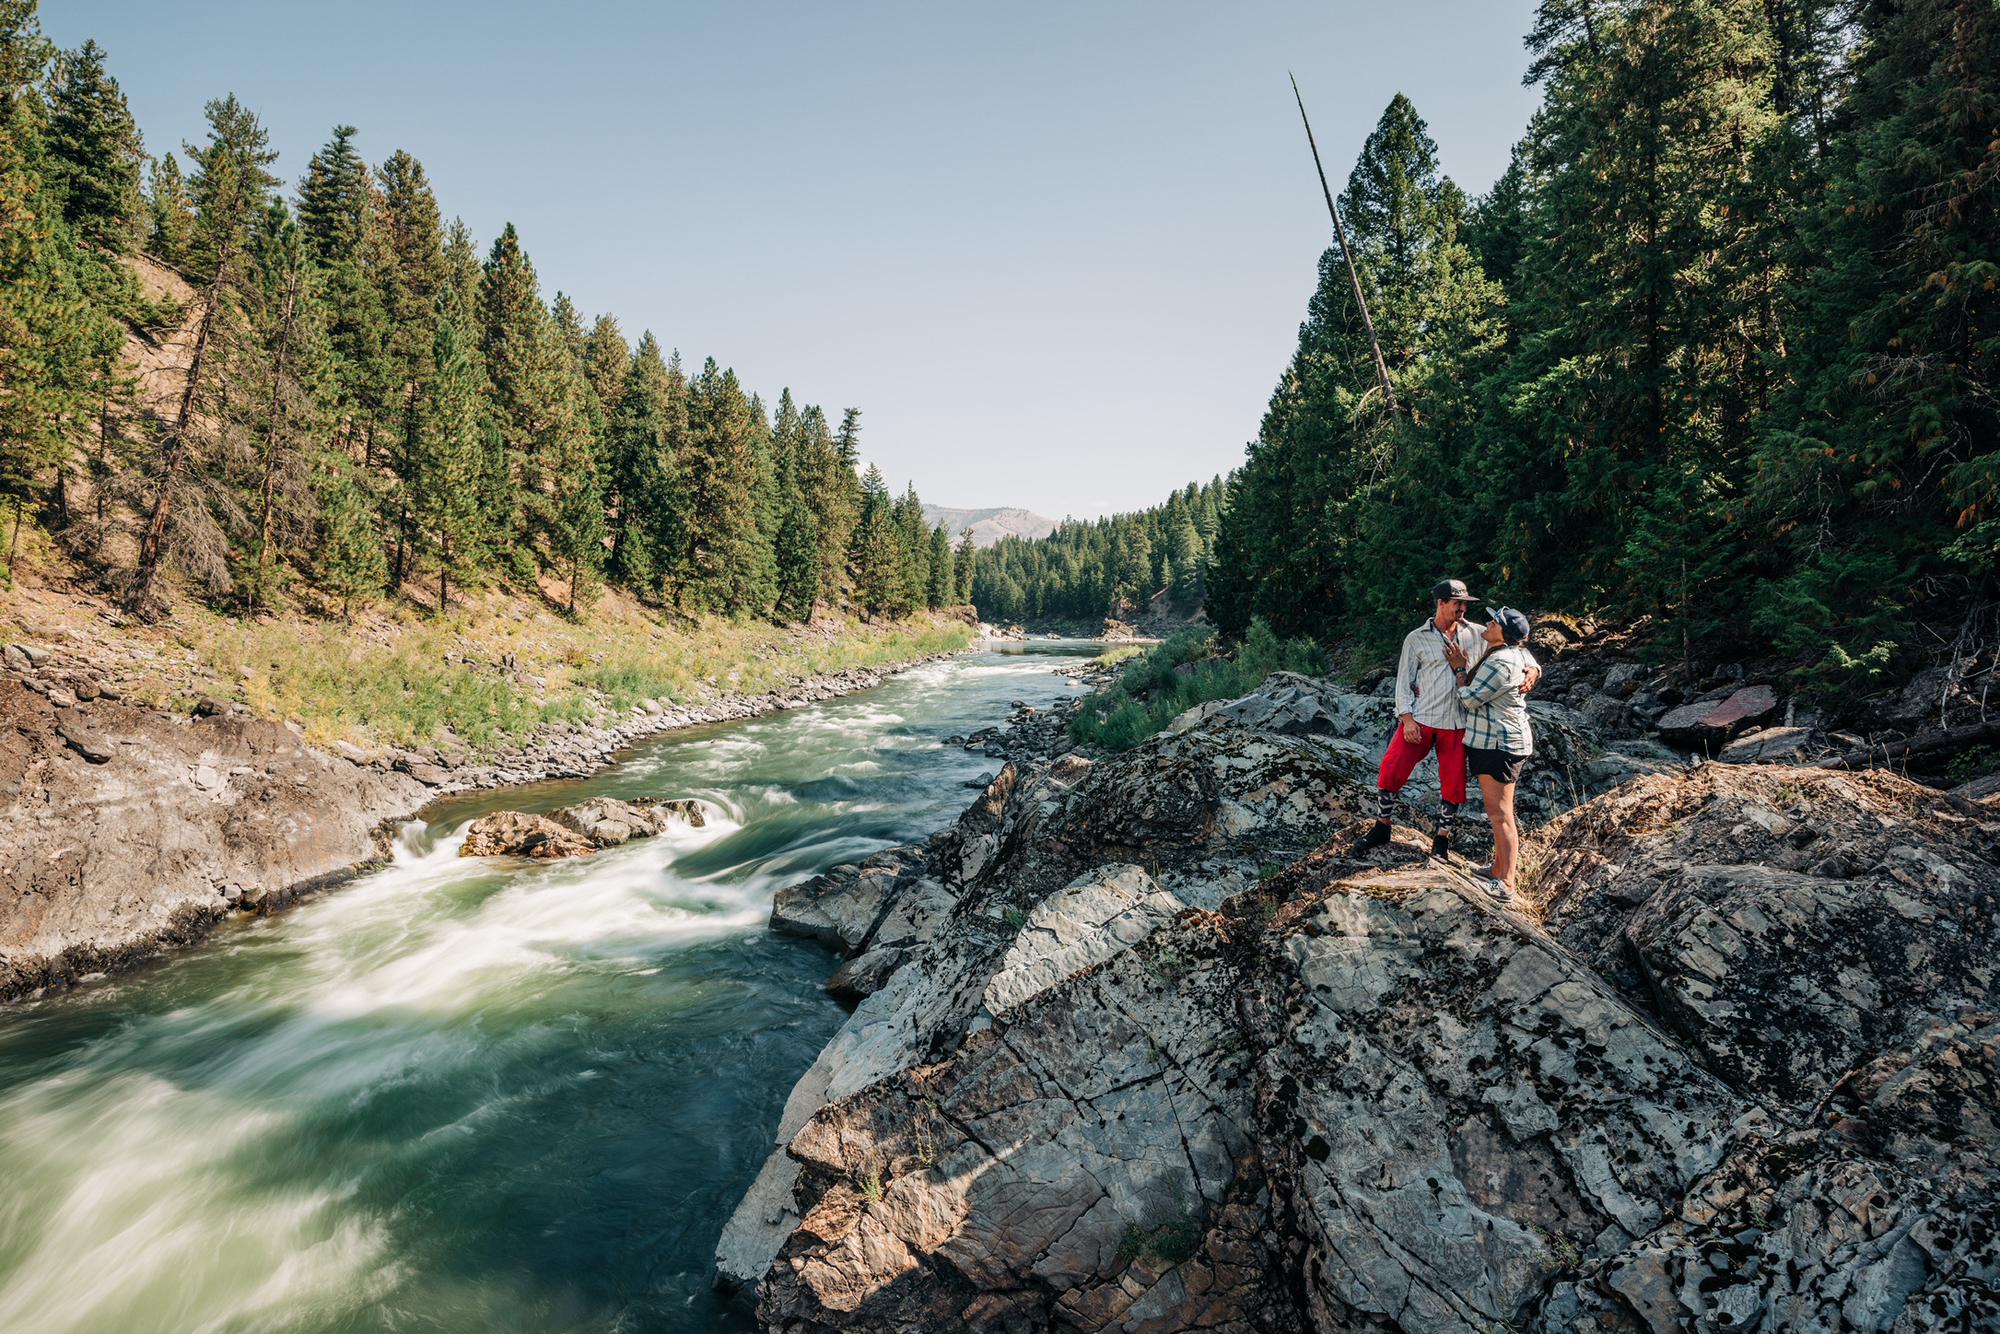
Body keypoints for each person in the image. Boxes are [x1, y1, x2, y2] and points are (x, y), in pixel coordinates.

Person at [1350, 578, 1537, 860]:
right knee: (1390, 769)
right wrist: (1407, 718)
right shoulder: (1416, 638)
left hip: (1460, 723)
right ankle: (1382, 826)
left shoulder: (1478, 633)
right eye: (1457, 603)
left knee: (1453, 784)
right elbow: (1403, 682)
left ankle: (1441, 840)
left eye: (1465, 603)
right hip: (1422, 718)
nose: (1463, 608)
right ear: (1441, 603)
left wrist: (1534, 668)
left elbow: (1516, 647)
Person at [1457, 606, 1537, 901]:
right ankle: (1497, 868)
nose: (1489, 622)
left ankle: (1506, 883)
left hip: (1498, 745)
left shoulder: (1500, 661)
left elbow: (1470, 699)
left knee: (1500, 814)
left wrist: (1458, 670)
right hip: (1499, 742)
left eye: (1495, 622)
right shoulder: (1512, 654)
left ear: (1504, 634)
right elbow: (1528, 656)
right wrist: (1534, 668)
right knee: (1498, 813)